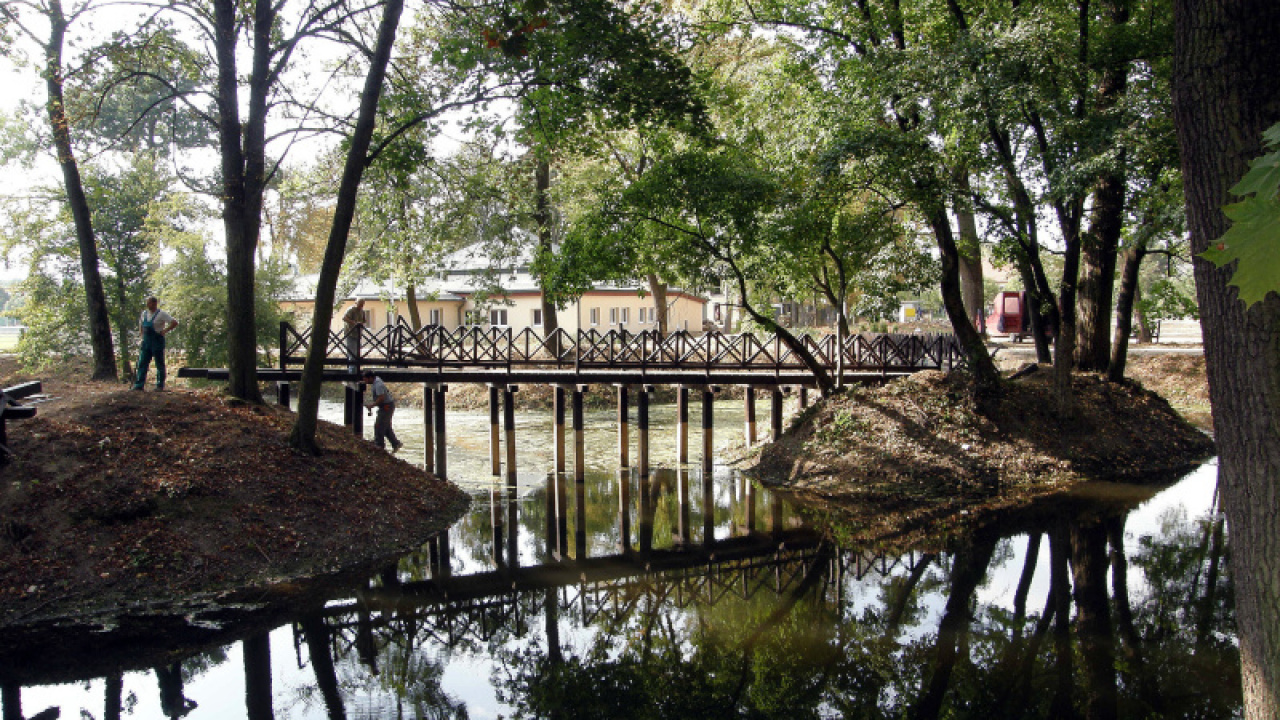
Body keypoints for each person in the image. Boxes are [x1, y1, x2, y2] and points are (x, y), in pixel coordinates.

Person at [133, 296, 178, 391]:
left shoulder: (161, 314)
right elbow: (141, 325)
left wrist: (165, 330)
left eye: (152, 303)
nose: (150, 305)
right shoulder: (144, 314)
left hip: (157, 341)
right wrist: (142, 337)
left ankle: (160, 385)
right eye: (149, 303)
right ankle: (139, 385)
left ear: (155, 304)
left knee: (159, 364)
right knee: (142, 363)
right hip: (146, 342)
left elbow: (174, 322)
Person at [363, 370, 403, 453]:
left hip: (386, 407)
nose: (365, 381)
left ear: (370, 378)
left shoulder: (378, 385)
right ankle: (396, 444)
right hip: (386, 406)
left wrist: (372, 405)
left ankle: (379, 446)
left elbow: (381, 398)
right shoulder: (376, 381)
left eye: (365, 379)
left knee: (378, 426)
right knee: (386, 427)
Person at [343, 299, 366, 373]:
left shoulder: (362, 311)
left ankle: (356, 370)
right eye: (360, 304)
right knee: (351, 353)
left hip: (358, 334)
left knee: (357, 353)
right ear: (356, 303)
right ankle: (352, 372)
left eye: (362, 305)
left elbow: (364, 321)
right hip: (350, 333)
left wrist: (361, 325)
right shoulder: (351, 309)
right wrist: (354, 323)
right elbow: (344, 318)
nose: (361, 306)